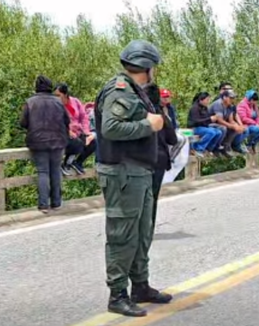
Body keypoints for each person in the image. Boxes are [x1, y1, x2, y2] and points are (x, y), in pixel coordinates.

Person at [94, 40, 172, 317]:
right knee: (123, 235)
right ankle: (117, 295)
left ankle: (140, 286)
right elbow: (111, 127)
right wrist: (147, 124)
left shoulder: (137, 91)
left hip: (139, 171)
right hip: (122, 172)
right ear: (147, 67)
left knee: (142, 233)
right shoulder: (121, 90)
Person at [20, 75, 70, 214]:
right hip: (57, 141)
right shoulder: (58, 102)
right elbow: (67, 120)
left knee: (43, 172)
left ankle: (43, 205)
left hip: (37, 141)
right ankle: (56, 203)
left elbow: (23, 123)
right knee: (55, 171)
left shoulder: (30, 102)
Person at [145, 83, 179, 230]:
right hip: (159, 158)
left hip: (139, 159)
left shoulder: (138, 112)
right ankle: (149, 228)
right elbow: (173, 139)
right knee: (153, 196)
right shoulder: (161, 115)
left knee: (139, 196)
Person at [54, 83, 96, 176]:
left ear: (65, 94)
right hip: (64, 133)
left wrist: (86, 132)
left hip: (78, 131)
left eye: (58, 95)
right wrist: (68, 131)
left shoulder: (75, 101)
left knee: (93, 142)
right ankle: (66, 164)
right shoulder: (56, 106)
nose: (56, 98)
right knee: (77, 143)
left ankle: (78, 162)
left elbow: (83, 117)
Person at [187, 92, 224, 157]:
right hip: (194, 128)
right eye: (207, 100)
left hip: (203, 127)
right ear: (201, 100)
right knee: (211, 132)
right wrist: (210, 119)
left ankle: (208, 149)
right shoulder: (194, 108)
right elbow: (196, 121)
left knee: (218, 132)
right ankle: (198, 148)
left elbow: (206, 118)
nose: (208, 101)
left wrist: (214, 117)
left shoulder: (205, 108)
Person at [210, 90, 246, 154]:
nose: (232, 100)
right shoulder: (218, 104)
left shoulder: (230, 106)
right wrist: (231, 126)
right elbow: (219, 120)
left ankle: (226, 146)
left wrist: (238, 126)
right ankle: (215, 147)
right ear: (224, 97)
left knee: (237, 129)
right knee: (223, 128)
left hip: (222, 123)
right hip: (211, 123)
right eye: (231, 98)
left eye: (233, 98)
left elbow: (231, 119)